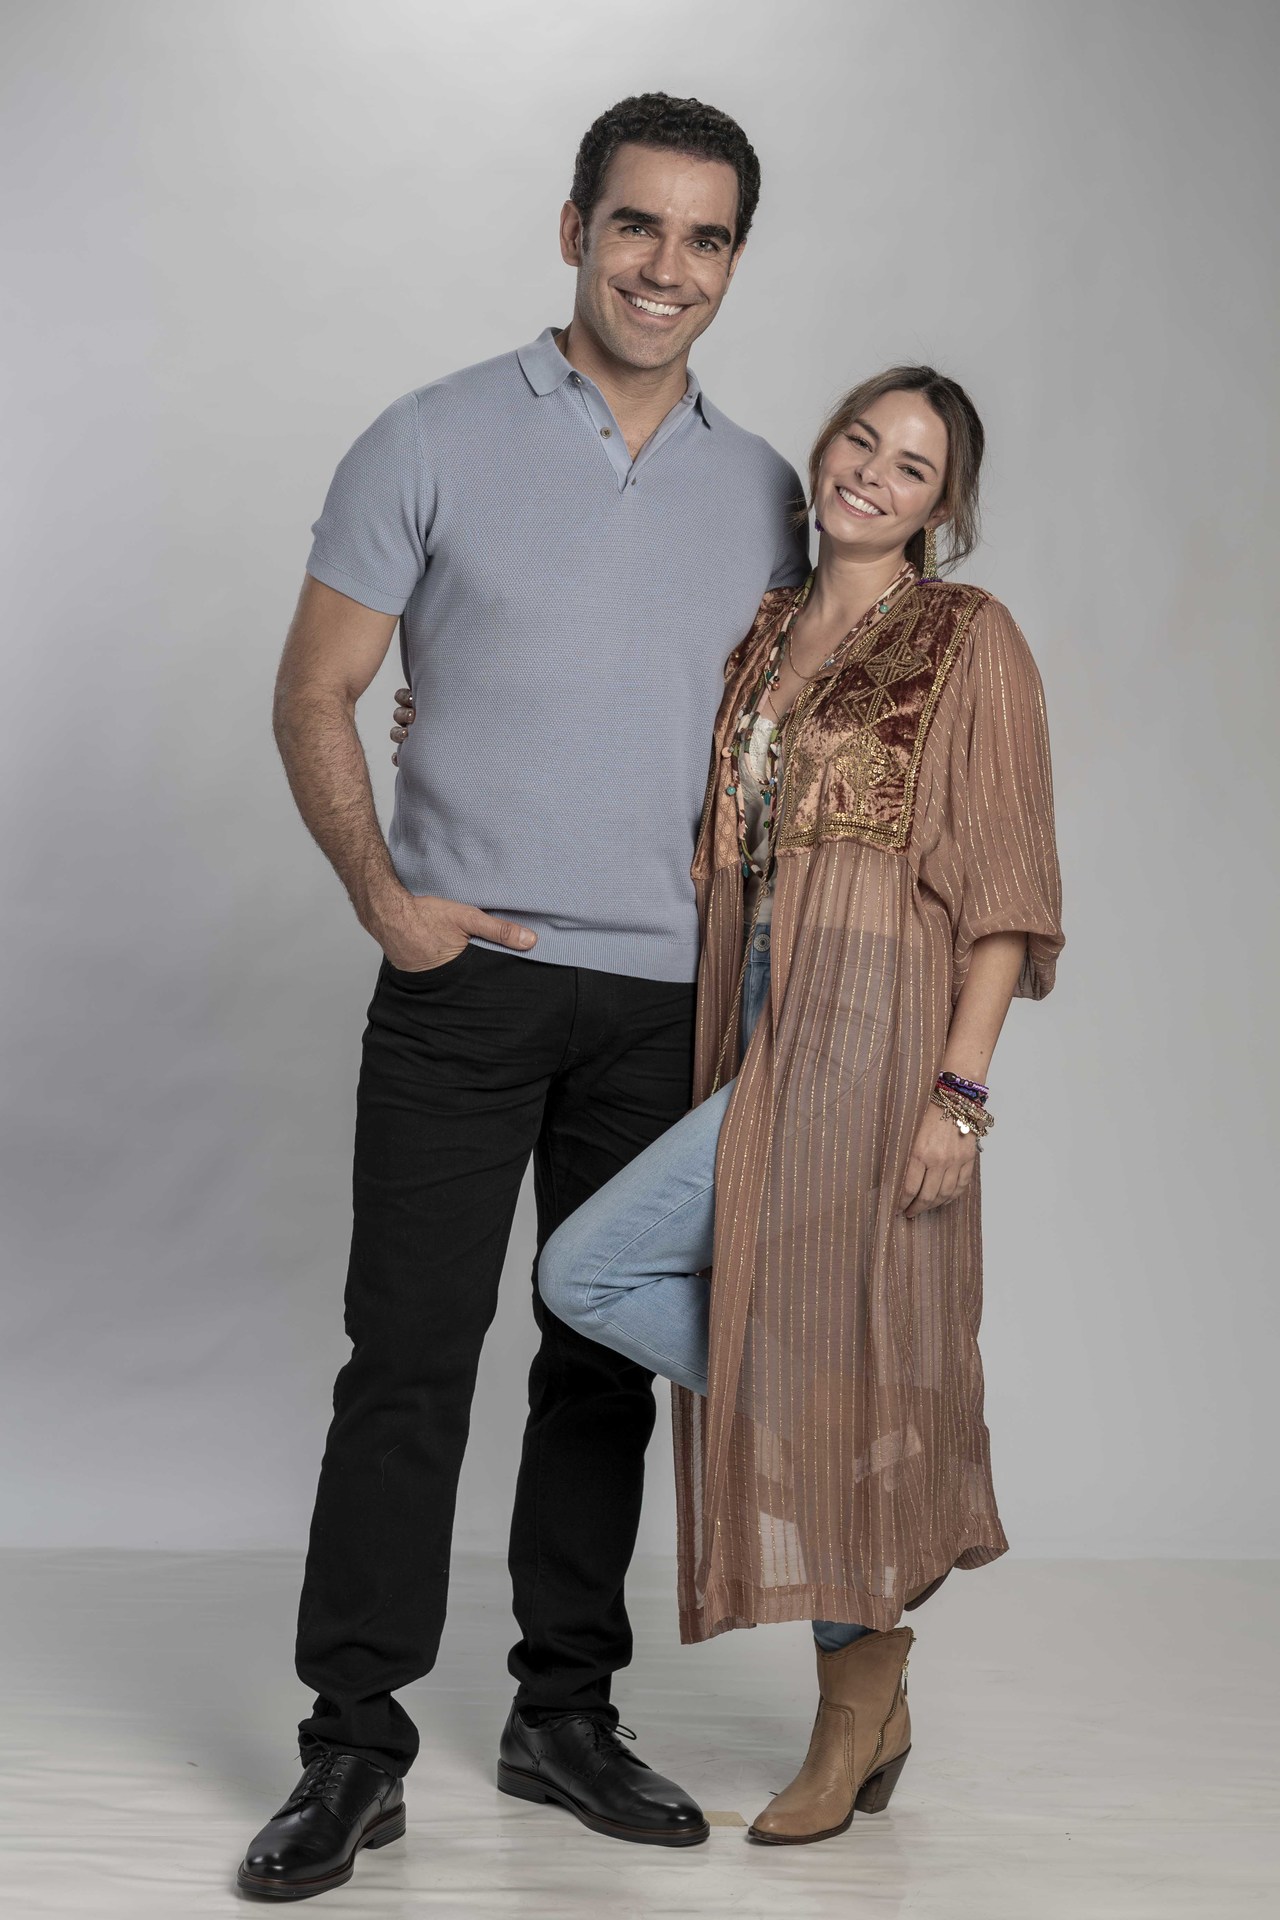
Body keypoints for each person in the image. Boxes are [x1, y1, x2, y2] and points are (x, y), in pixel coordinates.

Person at [236, 94, 810, 1900]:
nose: (666, 266)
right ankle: (353, 1745)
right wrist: (387, 902)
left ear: (734, 262)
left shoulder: (770, 492)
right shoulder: (430, 436)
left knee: (600, 1369)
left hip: (668, 1003)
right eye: (637, 225)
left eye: (705, 238)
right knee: (406, 1363)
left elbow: (785, 748)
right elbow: (315, 690)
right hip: (467, 983)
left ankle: (565, 1714)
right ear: (575, 229)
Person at [534, 366, 1065, 1844]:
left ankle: (853, 1705)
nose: (872, 475)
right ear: (823, 448)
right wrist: (447, 717)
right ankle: (872, 1658)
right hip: (753, 1010)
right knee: (773, 1332)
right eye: (860, 441)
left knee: (590, 1269)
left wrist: (959, 1092)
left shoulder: (967, 635)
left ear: (942, 507)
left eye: (913, 467)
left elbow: (1007, 884)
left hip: (876, 1031)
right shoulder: (765, 631)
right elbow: (655, 771)